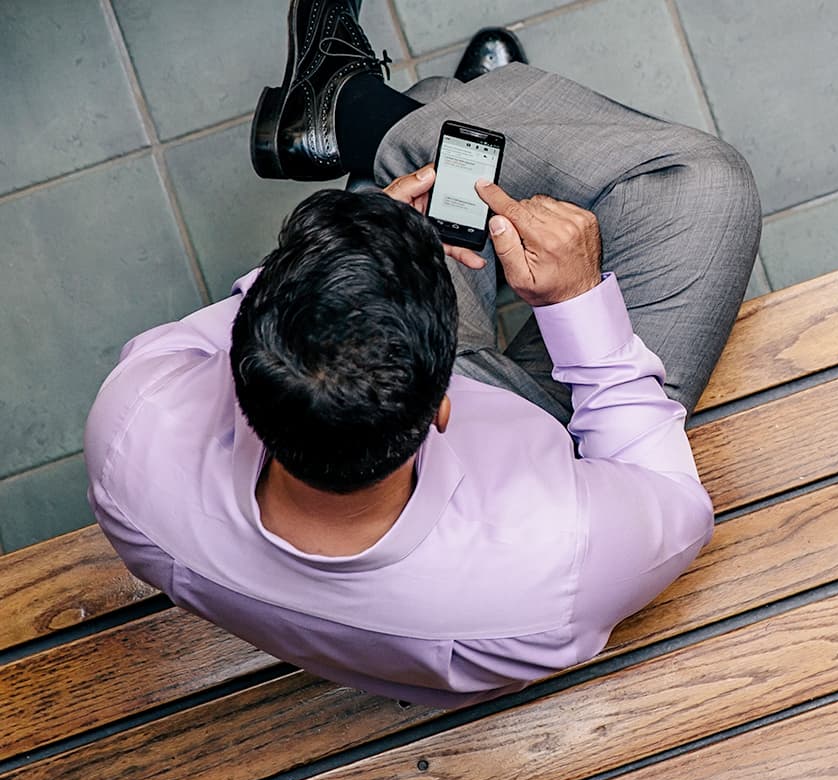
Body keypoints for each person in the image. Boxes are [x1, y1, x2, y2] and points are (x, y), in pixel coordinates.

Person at [84, 0, 761, 708]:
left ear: (245, 378)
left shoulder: (133, 433)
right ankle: (357, 112)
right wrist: (578, 303)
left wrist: (360, 242)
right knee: (699, 183)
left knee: (433, 153)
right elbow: (671, 500)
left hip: (393, 427)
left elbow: (245, 315)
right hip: (562, 462)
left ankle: (382, 115)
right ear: (442, 407)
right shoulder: (556, 558)